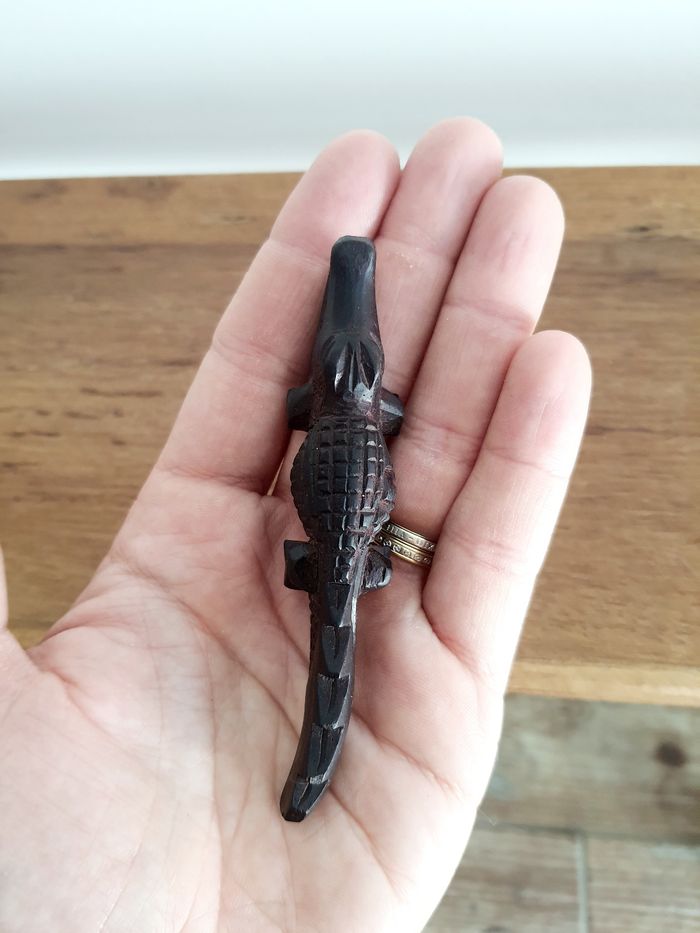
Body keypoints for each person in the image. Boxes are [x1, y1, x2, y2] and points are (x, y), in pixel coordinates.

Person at [0, 117, 591, 931]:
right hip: (358, 544)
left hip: (334, 537)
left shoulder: (309, 401)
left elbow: (293, 404)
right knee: (334, 624)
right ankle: (308, 775)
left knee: (331, 625)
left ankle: (311, 774)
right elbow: (386, 409)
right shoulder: (381, 409)